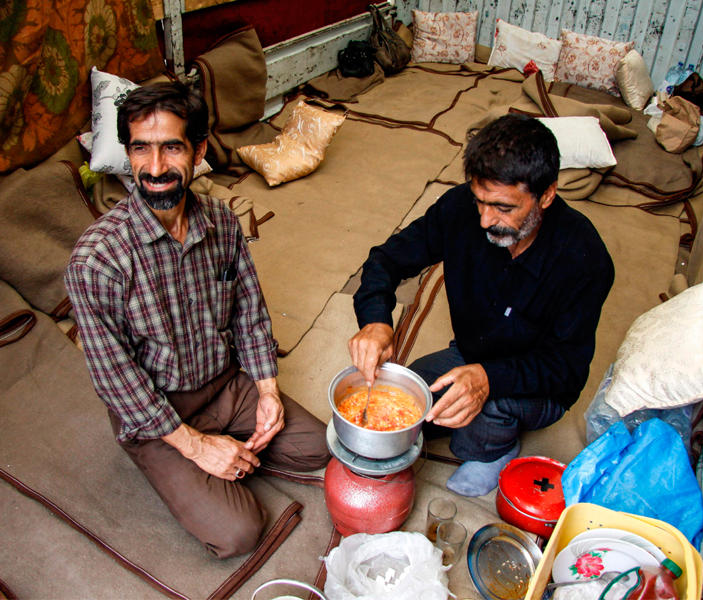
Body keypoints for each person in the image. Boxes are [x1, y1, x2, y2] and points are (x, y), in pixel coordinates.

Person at [65, 82, 329, 558]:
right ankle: (181, 454)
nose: (156, 168)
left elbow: (249, 310)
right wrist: (196, 447)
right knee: (239, 531)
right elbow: (116, 378)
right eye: (141, 149)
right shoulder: (96, 260)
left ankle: (232, 440)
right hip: (157, 411)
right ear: (128, 153)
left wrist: (267, 390)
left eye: (172, 147)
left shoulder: (222, 222)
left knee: (321, 447)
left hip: (227, 383)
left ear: (199, 150)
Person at [349, 113, 614, 497]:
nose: (487, 219)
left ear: (546, 195)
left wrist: (489, 379)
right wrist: (375, 321)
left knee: (487, 413)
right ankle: (476, 404)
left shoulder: (584, 258)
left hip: (536, 385)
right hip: (471, 352)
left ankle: (495, 451)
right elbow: (386, 260)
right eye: (480, 201)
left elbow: (565, 370)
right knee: (406, 396)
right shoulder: (460, 209)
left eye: (505, 208)